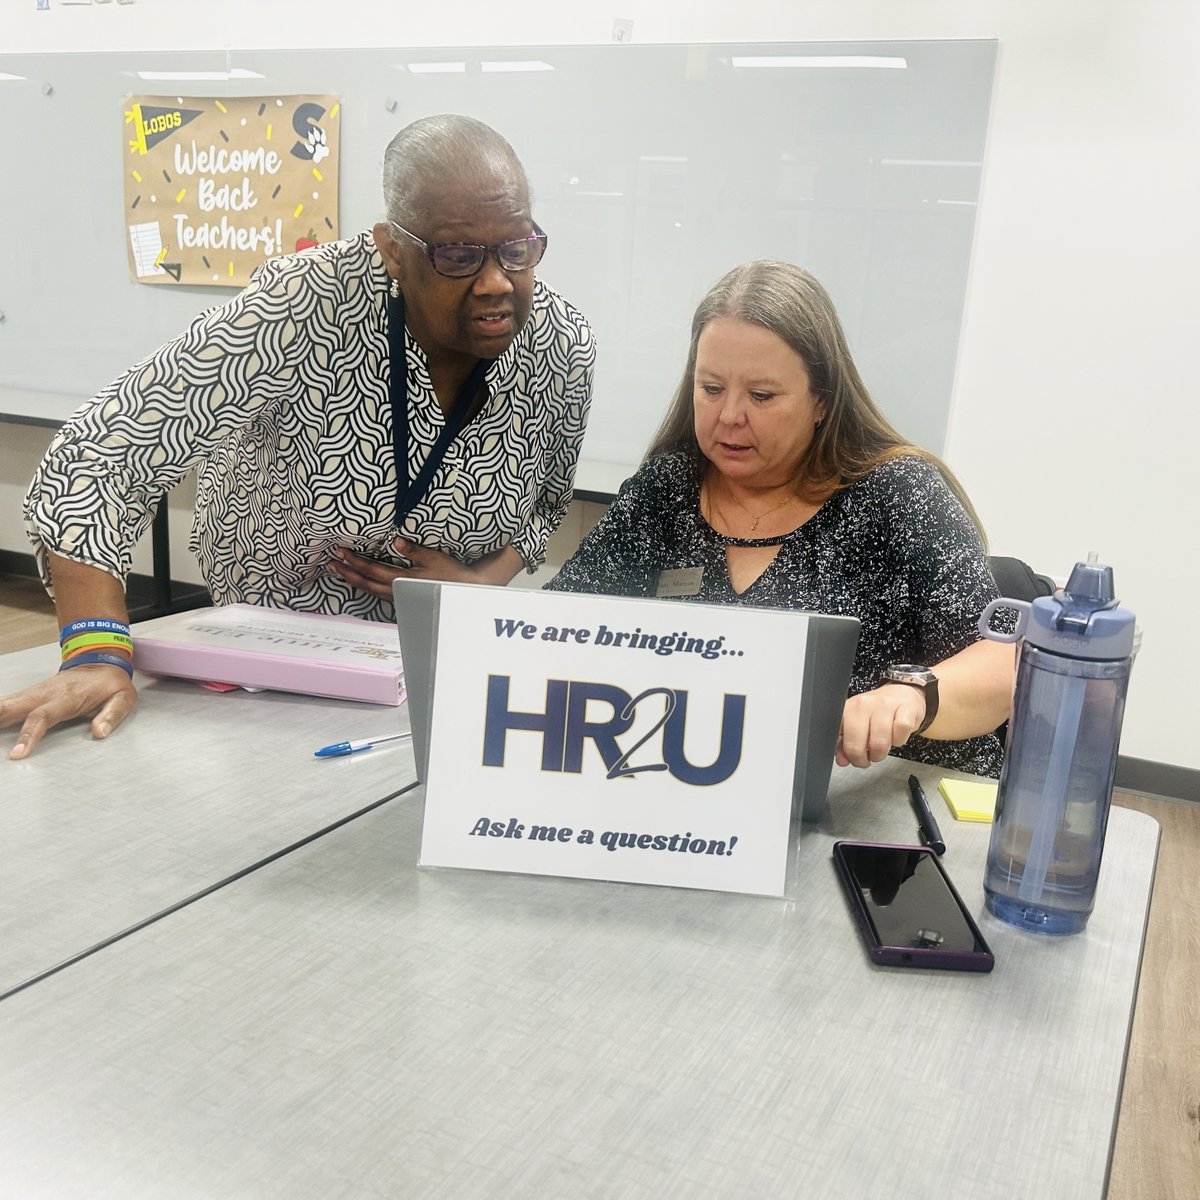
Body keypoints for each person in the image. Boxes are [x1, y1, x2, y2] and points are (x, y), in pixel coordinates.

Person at [3, 114, 595, 760]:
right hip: (259, 669)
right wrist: (94, 651)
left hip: (434, 661)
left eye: (517, 248)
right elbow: (99, 458)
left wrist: (483, 584)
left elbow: (544, 503)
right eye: (457, 255)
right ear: (392, 250)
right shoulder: (302, 306)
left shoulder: (560, 347)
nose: (496, 282)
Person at [545, 261, 1013, 777]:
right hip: (695, 796)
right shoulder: (667, 489)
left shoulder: (899, 492)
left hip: (882, 811)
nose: (729, 416)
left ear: (822, 402)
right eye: (711, 388)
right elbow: (556, 631)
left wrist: (910, 698)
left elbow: (1004, 664)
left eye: (762, 396)